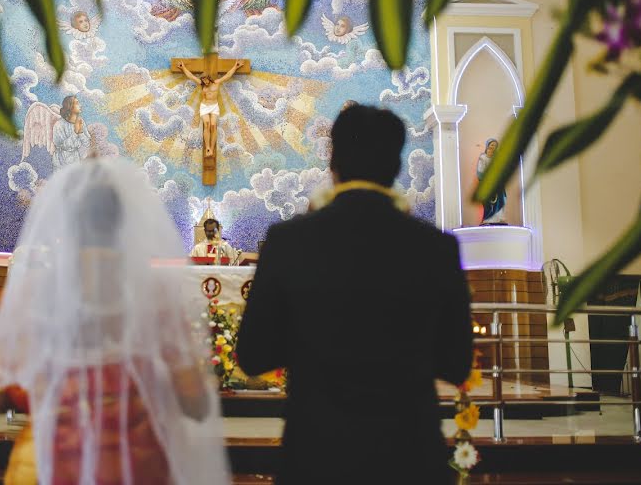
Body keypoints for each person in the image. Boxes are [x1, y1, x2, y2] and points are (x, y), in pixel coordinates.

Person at [236, 104, 472, 484]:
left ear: (334, 162)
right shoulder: (436, 248)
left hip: (316, 456)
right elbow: (456, 363)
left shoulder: (288, 242)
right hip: (410, 457)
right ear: (395, 168)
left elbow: (252, 355)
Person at [0, 158, 229, 485]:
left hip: (49, 462)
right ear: (123, 222)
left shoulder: (28, 294)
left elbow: (2, 396)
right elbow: (195, 401)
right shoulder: (154, 296)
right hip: (137, 463)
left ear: (65, 221)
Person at [178, 61, 243, 158]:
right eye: (203, 80)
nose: (205, 82)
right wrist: (183, 68)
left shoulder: (216, 83)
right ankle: (207, 147)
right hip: (204, 106)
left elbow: (227, 76)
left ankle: (211, 148)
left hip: (214, 106)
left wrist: (235, 66)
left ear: (209, 78)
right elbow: (191, 76)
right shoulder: (201, 84)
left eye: (206, 80)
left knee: (213, 125)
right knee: (207, 124)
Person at [52, 95, 92, 168]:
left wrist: (80, 133)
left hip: (75, 160)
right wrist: (75, 133)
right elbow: (63, 146)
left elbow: (87, 143)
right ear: (70, 106)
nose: (80, 105)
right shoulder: (59, 125)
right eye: (77, 103)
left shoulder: (80, 121)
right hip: (61, 162)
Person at [478, 138, 508, 225]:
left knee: (501, 199)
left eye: (495, 146)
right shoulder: (483, 158)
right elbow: (480, 171)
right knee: (489, 201)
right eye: (491, 145)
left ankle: (499, 217)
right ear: (487, 146)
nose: (493, 147)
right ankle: (488, 218)